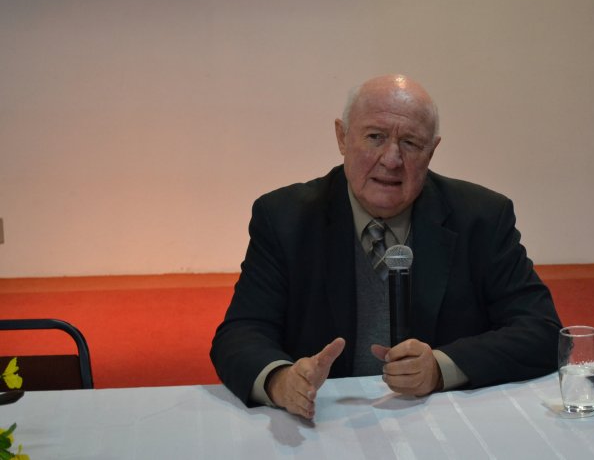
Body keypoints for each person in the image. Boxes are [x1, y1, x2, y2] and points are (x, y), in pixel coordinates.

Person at [211, 74, 562, 419]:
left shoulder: (482, 217)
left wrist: (441, 368)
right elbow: (241, 333)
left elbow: (541, 330)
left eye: (410, 142)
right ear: (342, 137)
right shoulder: (285, 218)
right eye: (375, 137)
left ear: (432, 150)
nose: (391, 159)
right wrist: (280, 381)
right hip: (328, 421)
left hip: (442, 419)